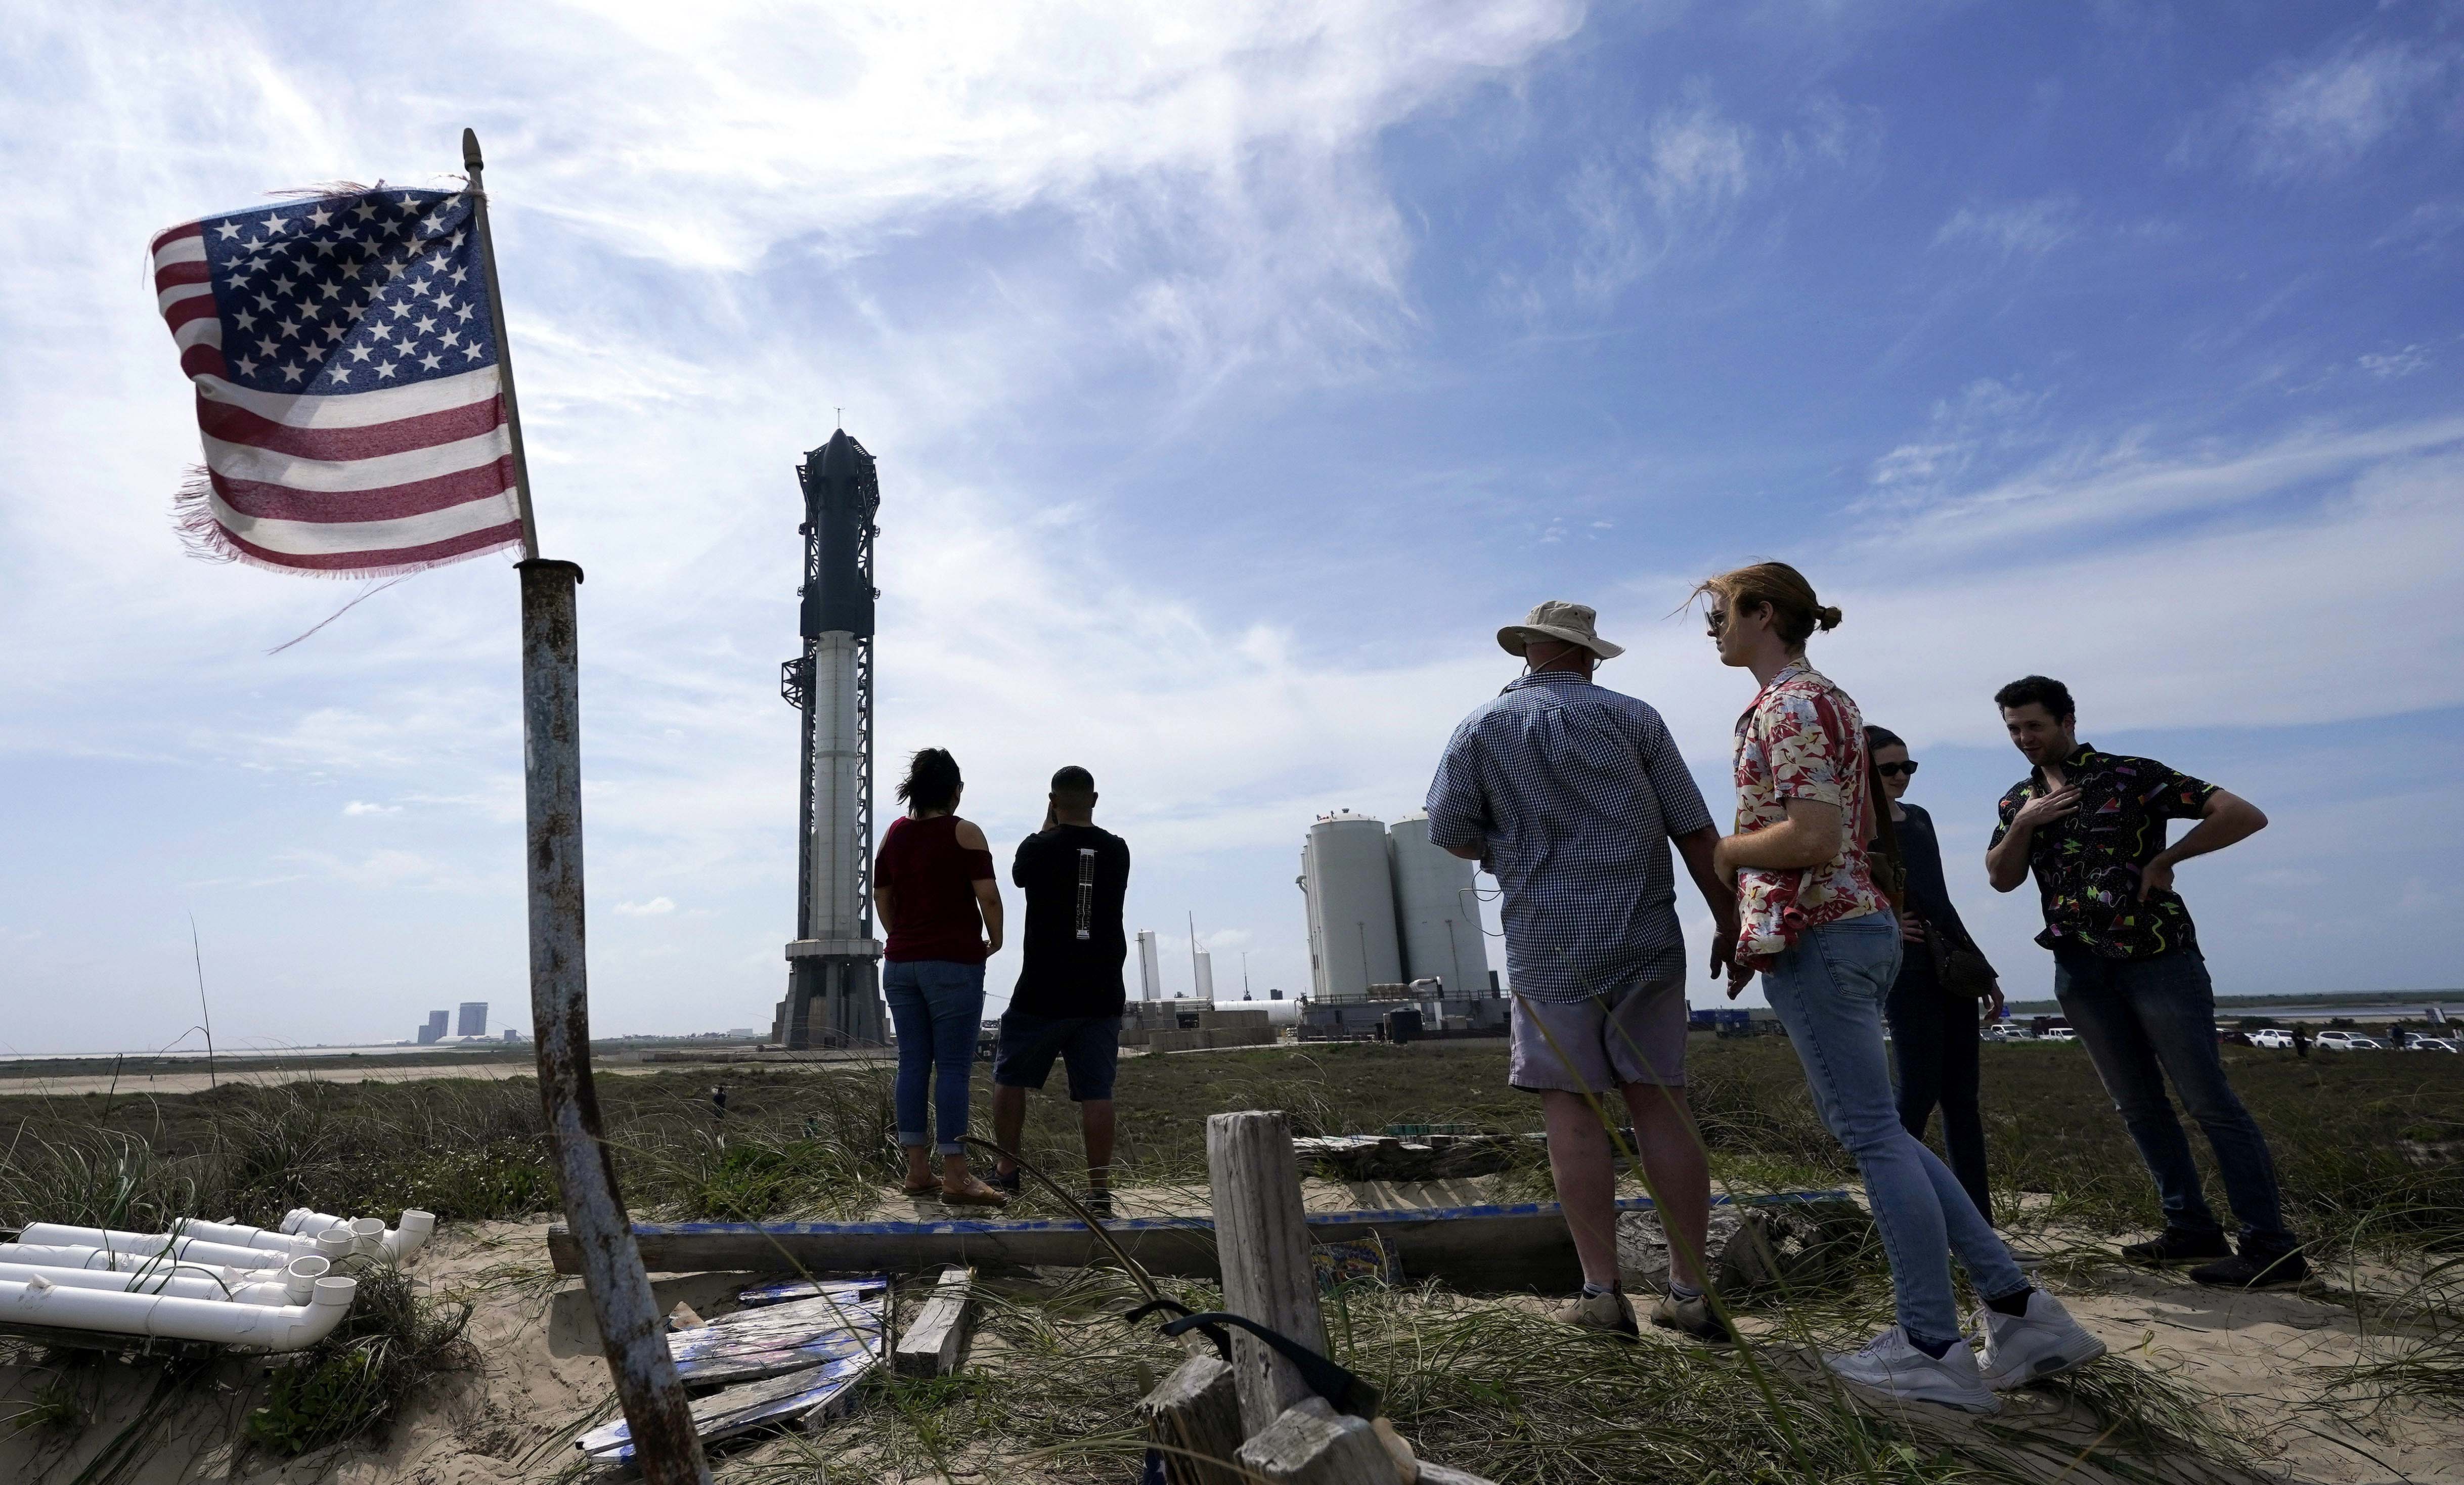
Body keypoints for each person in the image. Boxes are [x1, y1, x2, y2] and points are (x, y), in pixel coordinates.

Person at [1703, 564, 2100, 1411]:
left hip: (1822, 935)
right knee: (1887, 1131)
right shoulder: (1825, 701)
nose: (1712, 630)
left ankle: (1930, 1345)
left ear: (1762, 613)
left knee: (1874, 1139)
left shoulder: (1791, 705)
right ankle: (2020, 1312)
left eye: (1719, 614)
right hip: (1846, 928)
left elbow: (1810, 837)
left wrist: (1727, 855)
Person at [1425, 600, 1740, 1345]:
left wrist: (1514, 841)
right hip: (1645, 935)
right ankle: (1690, 1294)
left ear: (1529, 650)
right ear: (1590, 655)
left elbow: (1449, 830)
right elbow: (1696, 831)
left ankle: (1602, 1295)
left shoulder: (1480, 727)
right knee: (1661, 1103)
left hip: (1548, 942)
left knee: (1571, 1111)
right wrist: (1730, 921)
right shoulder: (1636, 719)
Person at [1986, 676, 2301, 1287]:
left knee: (2210, 1102)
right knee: (2137, 1104)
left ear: (2067, 720)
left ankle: (2273, 1247)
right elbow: (2001, 878)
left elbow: (2242, 814)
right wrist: (2023, 822)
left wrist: (2167, 858)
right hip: (2078, 966)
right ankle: (2191, 1227)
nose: (2025, 739)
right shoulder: (2016, 799)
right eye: (2014, 729)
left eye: (2035, 726)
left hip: (2156, 955)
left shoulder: (2131, 775)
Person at [1866, 724, 2004, 1225]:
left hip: (1948, 966)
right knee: (1917, 1094)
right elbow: (1829, 889)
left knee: (1962, 1100)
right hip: (1904, 970)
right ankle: (1899, 1218)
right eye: (1889, 768)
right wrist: (1881, 920)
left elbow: (1941, 899)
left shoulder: (1919, 819)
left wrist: (1981, 966)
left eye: (1909, 766)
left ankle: (1979, 1226)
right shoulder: (1850, 823)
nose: (1902, 776)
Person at [990, 766, 1132, 1215]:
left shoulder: (1036, 848)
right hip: (1102, 988)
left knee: (1011, 1079)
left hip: (1043, 989)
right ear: (1095, 798)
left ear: (1053, 800)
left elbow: (1019, 875)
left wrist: (1048, 823)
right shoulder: (1118, 851)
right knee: (1097, 1092)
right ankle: (1098, 1190)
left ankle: (1007, 1172)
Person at [873, 747, 1008, 1207]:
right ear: (954, 790)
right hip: (953, 963)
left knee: (912, 1063)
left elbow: (882, 896)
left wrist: (903, 937)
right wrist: (997, 938)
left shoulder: (894, 835)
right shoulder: (964, 832)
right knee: (951, 1067)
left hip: (901, 964)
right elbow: (988, 896)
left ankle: (917, 1172)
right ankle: (956, 1174)